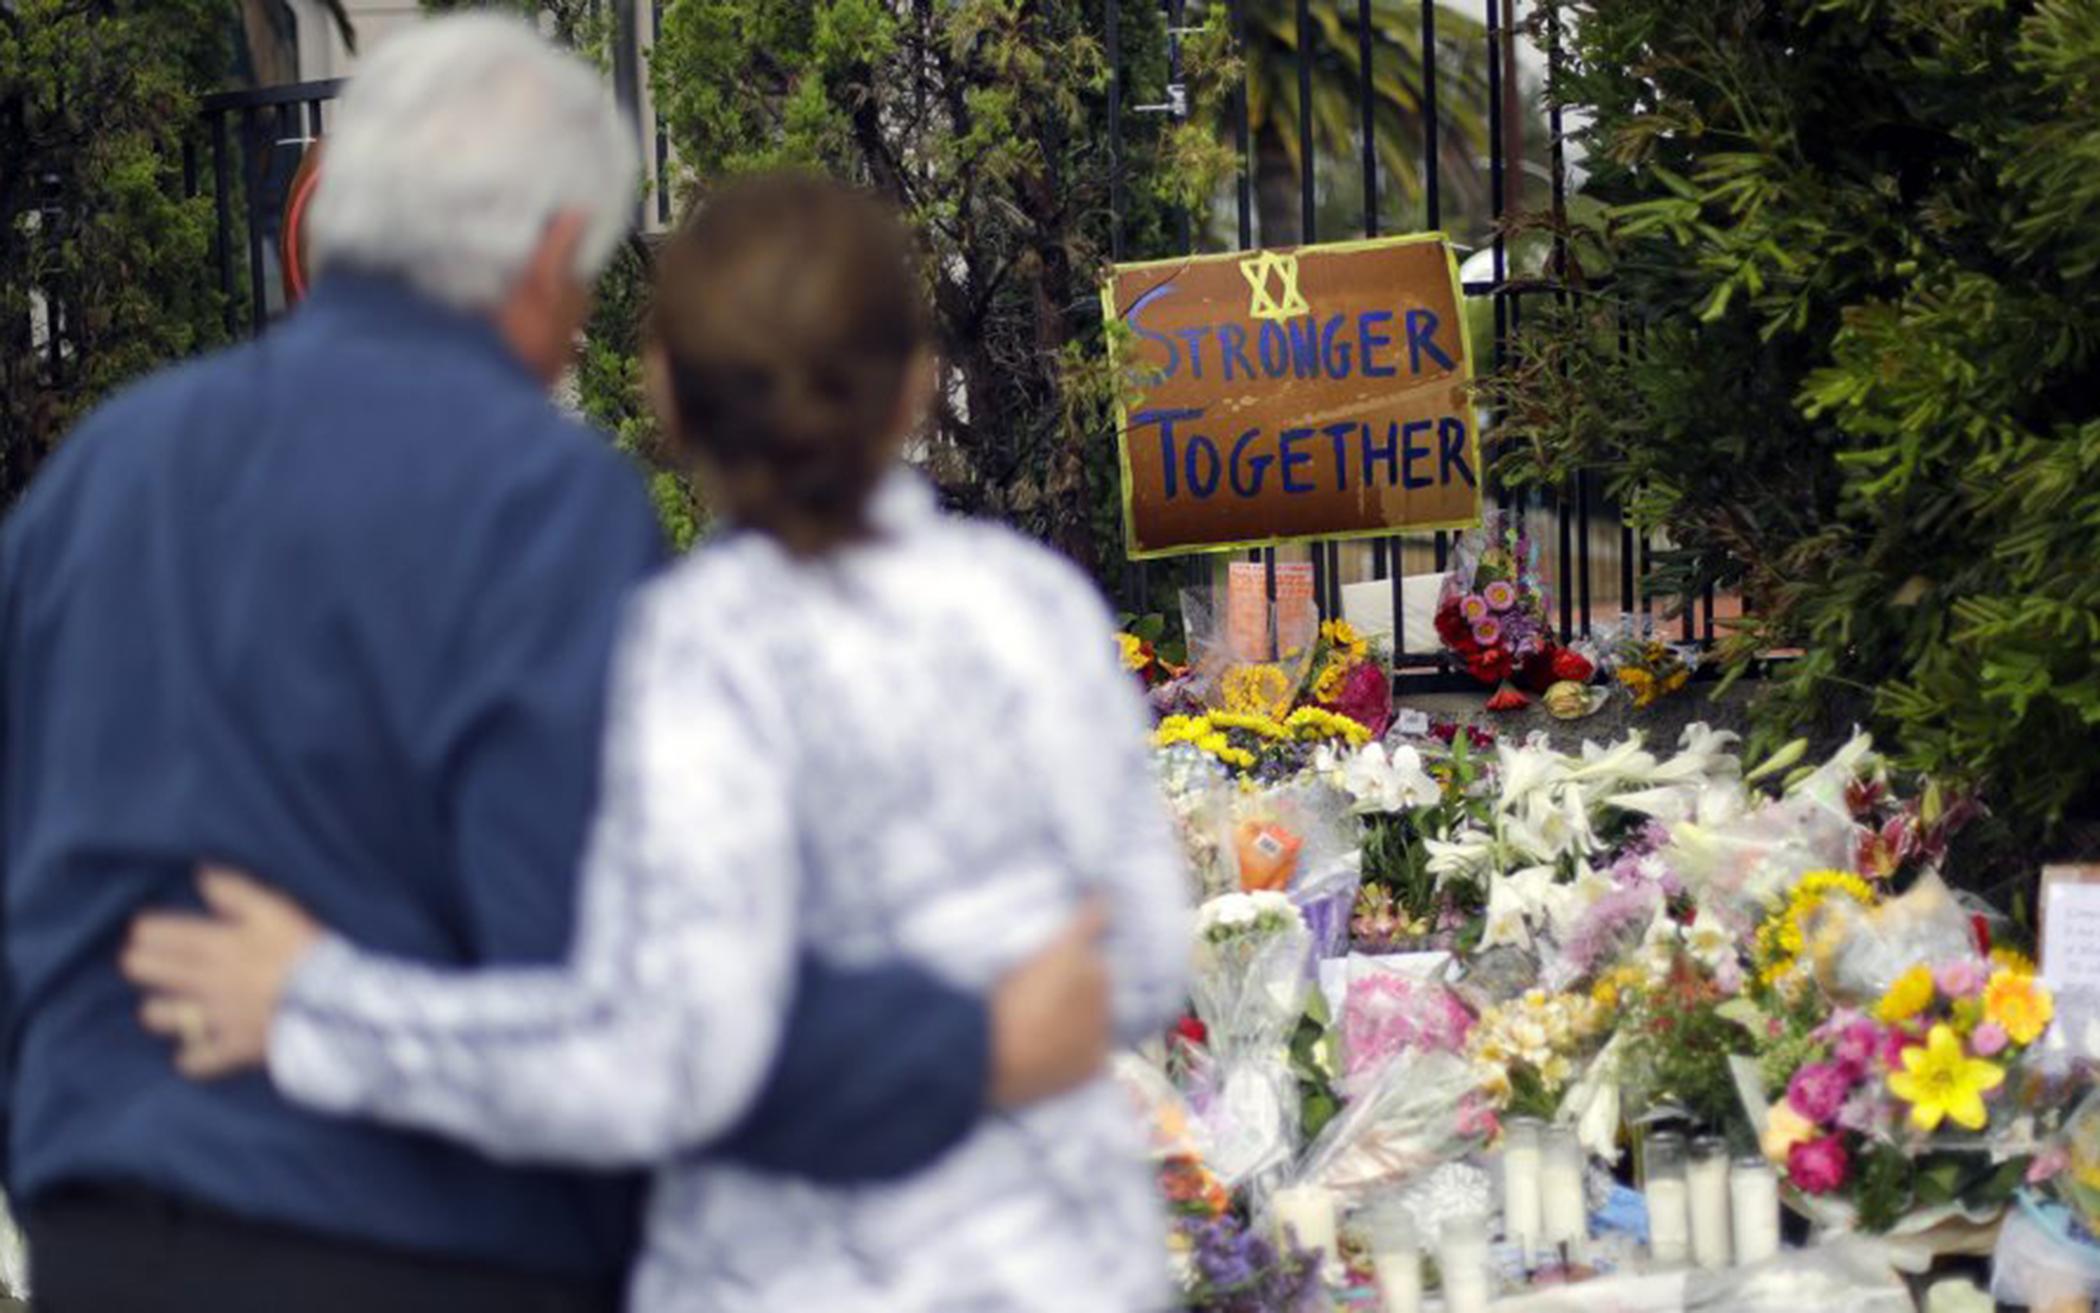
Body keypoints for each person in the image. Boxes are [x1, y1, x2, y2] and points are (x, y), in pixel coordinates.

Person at [0, 17, 1115, 1313]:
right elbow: (631, 981)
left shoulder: (101, 476)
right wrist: (968, 1044)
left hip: (105, 1233)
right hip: (427, 1244)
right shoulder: (537, 500)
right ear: (543, 259)